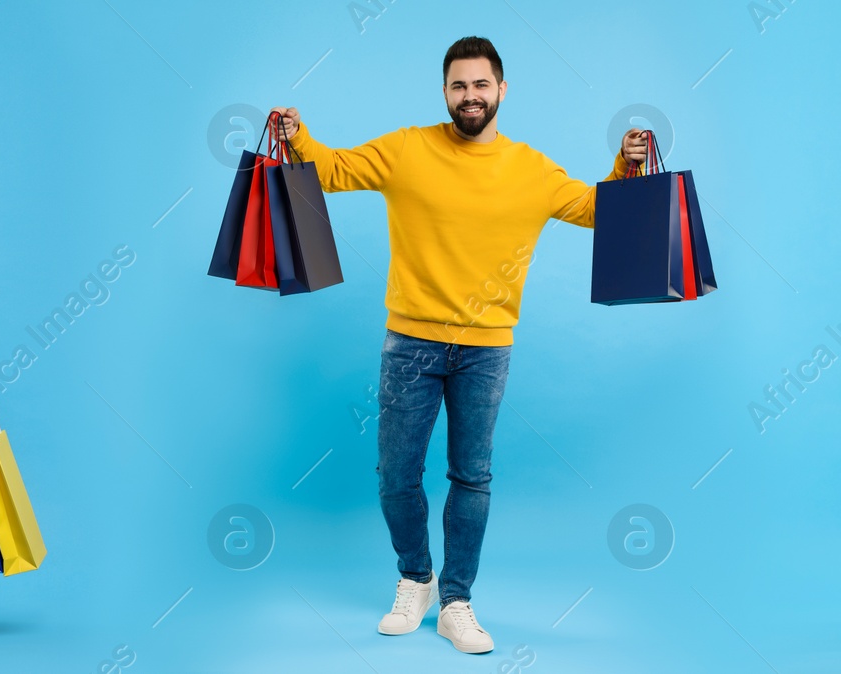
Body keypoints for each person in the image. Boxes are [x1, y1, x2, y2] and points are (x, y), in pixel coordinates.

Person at [271, 36, 648, 654]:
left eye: (480, 85)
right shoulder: (407, 150)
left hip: (487, 349)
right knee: (397, 475)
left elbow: (594, 208)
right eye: (457, 85)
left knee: (471, 477)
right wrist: (298, 135)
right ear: (444, 92)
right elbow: (333, 170)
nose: (468, 96)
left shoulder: (531, 168)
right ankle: (414, 578)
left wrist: (627, 165)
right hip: (411, 341)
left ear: (502, 90)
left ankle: (456, 602)